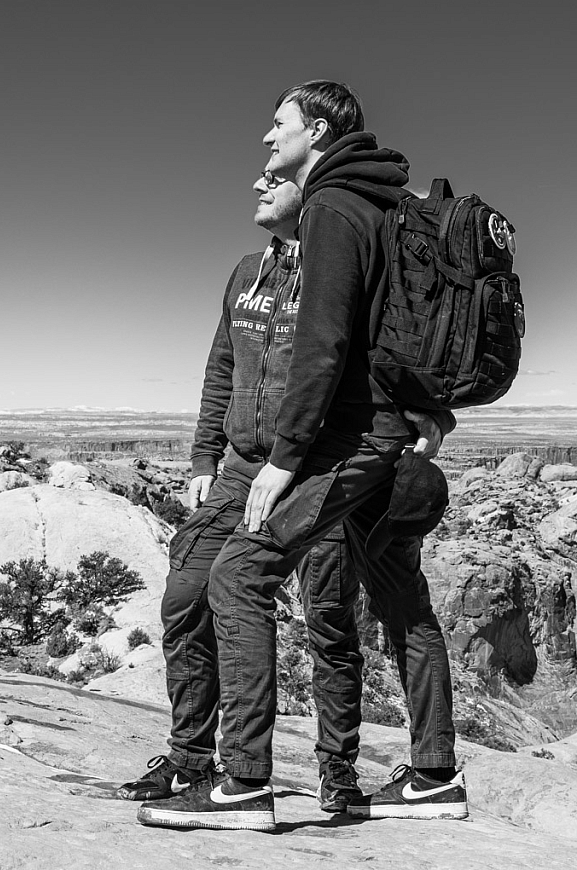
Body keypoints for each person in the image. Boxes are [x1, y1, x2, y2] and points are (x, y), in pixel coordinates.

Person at [137, 80, 467, 832]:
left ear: (316, 129)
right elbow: (395, 324)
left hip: (340, 442)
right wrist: (428, 403)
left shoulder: (332, 205)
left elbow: (325, 340)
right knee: (389, 606)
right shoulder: (383, 202)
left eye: (276, 126)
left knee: (246, 576)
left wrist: (286, 458)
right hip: (356, 437)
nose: (264, 144)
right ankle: (430, 774)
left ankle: (247, 784)